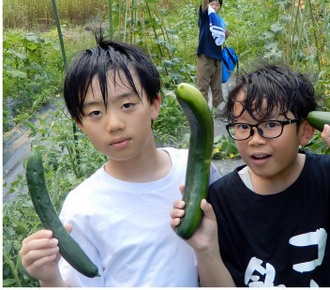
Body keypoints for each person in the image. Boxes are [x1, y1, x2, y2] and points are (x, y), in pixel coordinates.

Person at [172, 64, 330, 287]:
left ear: (304, 131)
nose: (255, 139)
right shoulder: (222, 199)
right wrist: (206, 250)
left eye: (271, 124)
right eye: (243, 126)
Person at [18, 36, 218, 287]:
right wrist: (49, 278)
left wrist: (208, 249)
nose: (114, 124)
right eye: (95, 113)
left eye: (126, 105)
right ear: (80, 123)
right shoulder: (82, 208)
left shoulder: (199, 171)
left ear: (155, 104)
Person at [196, 0, 227, 114]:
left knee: (217, 87)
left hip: (217, 57)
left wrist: (226, 34)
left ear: (220, 7)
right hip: (205, 56)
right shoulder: (205, 16)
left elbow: (220, 39)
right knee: (202, 87)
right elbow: (203, 4)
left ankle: (219, 110)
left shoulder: (219, 21)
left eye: (217, 5)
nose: (215, 7)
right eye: (212, 4)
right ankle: (201, 113)